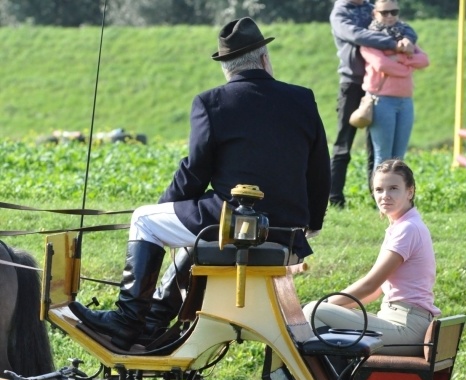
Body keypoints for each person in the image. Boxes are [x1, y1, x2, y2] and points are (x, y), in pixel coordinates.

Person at [69, 17, 331, 350]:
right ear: (265, 59)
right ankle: (151, 324)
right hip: (287, 232)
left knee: (144, 220)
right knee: (199, 236)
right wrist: (313, 223)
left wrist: (163, 208)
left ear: (227, 69)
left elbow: (194, 173)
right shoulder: (302, 99)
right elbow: (319, 170)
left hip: (236, 223)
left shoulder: (212, 103)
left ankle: (126, 321)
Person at [303, 159, 439, 355]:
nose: (385, 196)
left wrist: (324, 305)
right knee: (316, 311)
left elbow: (370, 285)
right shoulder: (401, 226)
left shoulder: (408, 229)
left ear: (410, 191)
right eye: (379, 190)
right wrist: (334, 308)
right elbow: (375, 292)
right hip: (397, 318)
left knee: (312, 312)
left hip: (408, 326)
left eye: (393, 188)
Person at [329, 0, 417, 208]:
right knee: (344, 143)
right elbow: (359, 36)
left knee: (376, 147)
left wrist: (407, 39)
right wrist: (393, 44)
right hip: (352, 82)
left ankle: (378, 197)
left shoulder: (373, 7)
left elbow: (406, 29)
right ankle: (334, 197)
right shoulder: (340, 13)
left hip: (378, 86)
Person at [361, 0, 429, 171]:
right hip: (382, 101)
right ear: (374, 13)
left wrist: (399, 58)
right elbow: (382, 65)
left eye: (394, 12)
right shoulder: (369, 38)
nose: (390, 16)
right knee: (383, 156)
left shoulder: (405, 37)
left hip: (405, 101)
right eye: (385, 12)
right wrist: (407, 65)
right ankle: (380, 196)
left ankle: (397, 196)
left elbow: (424, 60)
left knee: (399, 158)